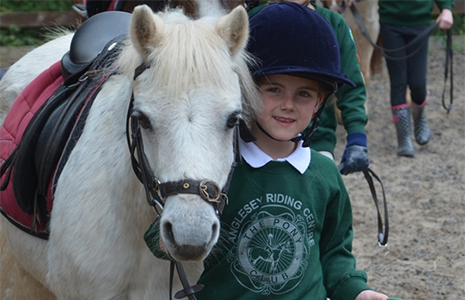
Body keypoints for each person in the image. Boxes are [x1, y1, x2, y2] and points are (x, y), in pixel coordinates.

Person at [194, 3, 390, 299]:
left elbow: (335, 256)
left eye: (304, 94)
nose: (288, 105)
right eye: (274, 89)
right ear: (245, 88)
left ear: (319, 102)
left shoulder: (325, 176)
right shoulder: (216, 169)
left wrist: (357, 292)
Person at [248, 0, 369, 175]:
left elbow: (352, 86)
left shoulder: (335, 24)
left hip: (316, 143)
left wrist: (357, 136)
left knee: (326, 186)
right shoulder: (255, 19)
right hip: (256, 143)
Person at [377, 0, 455, 157]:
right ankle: (404, 140)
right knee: (398, 82)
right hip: (390, 23)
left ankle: (419, 116)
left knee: (417, 83)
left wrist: (446, 9)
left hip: (419, 23)